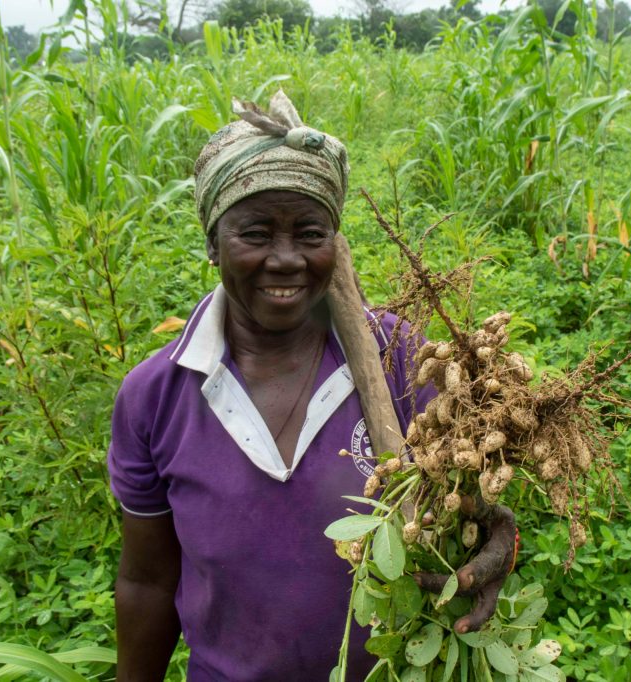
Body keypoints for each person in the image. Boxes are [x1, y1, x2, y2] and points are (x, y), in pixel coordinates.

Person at [108, 91, 516, 682]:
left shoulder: (404, 360)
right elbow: (146, 580)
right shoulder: (156, 396)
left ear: (335, 242)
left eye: (309, 232)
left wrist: (494, 531)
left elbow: (466, 501)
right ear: (211, 244)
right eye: (254, 234)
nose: (286, 259)